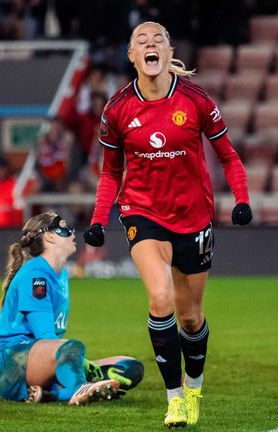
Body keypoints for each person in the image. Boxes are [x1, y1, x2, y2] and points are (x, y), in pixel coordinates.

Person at [82, 21, 252, 428]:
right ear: (131, 56)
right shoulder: (118, 108)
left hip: (193, 218)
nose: (150, 44)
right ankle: (174, 399)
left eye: (158, 39)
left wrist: (242, 200)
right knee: (160, 299)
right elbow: (110, 173)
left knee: (190, 316)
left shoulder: (195, 100)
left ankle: (194, 389)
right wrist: (98, 220)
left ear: (168, 50)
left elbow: (228, 156)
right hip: (142, 213)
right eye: (142, 40)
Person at [0, 211, 144, 404]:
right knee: (73, 347)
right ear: (50, 236)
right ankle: (79, 388)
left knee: (130, 367)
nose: (71, 231)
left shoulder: (59, 274)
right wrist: (81, 365)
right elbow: (45, 337)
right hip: (10, 364)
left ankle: (49, 395)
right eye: (63, 226)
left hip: (39, 359)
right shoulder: (36, 275)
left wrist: (80, 365)